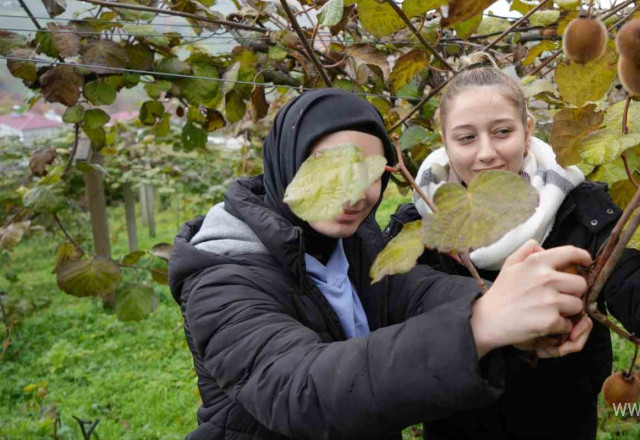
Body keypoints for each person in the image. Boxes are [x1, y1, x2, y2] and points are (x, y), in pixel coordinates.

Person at [385, 54, 640, 439]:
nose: (487, 153)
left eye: (502, 132)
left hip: (560, 420)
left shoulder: (580, 210)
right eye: (466, 137)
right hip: (457, 423)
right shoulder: (416, 229)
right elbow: (394, 329)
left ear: (528, 132)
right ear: (444, 141)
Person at [168, 88, 597, 440]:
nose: (356, 194)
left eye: (370, 172)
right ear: (287, 162)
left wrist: (505, 311)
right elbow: (300, 390)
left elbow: (415, 293)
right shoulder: (220, 275)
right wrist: (480, 325)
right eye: (332, 169)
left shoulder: (353, 242)